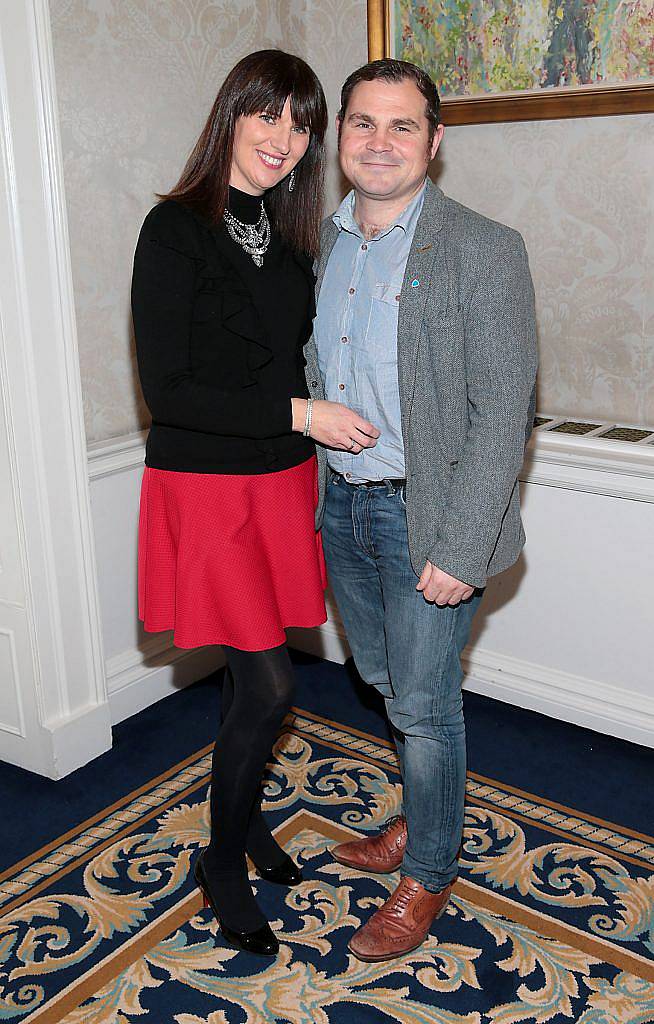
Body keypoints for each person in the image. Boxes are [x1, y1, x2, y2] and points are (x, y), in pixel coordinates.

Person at [131, 50, 380, 958]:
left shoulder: (292, 237)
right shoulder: (173, 231)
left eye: (300, 123)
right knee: (272, 683)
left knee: (250, 674)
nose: (284, 138)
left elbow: (302, 359)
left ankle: (245, 824)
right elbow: (172, 389)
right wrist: (305, 414)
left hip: (281, 484)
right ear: (231, 115)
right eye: (267, 115)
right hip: (206, 489)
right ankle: (221, 862)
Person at [301, 58, 538, 962]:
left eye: (403, 126)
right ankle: (421, 816)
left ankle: (428, 872)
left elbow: (502, 407)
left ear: (435, 143)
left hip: (430, 520)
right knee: (388, 685)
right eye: (363, 123)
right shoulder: (322, 245)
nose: (380, 142)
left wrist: (464, 544)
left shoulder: (485, 247)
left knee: (428, 710)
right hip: (343, 511)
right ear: (342, 140)